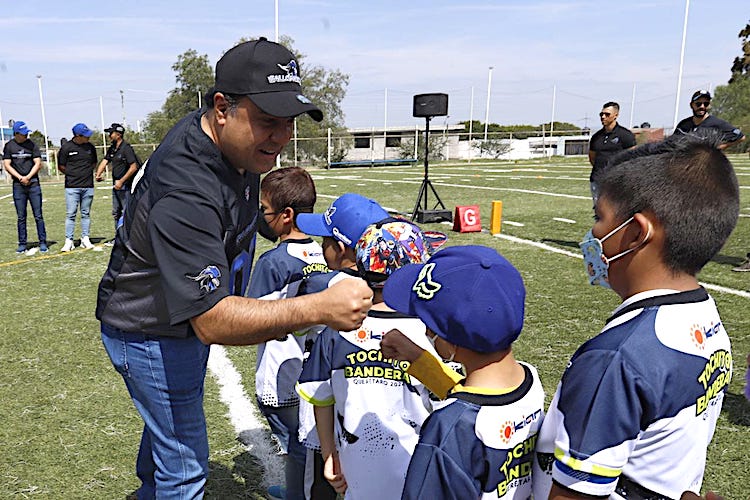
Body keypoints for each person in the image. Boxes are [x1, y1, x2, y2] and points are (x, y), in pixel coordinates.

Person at [95, 38, 373, 499]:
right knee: (184, 471)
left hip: (170, 320)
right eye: (268, 122)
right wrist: (319, 307)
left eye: (288, 123)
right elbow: (212, 320)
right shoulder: (186, 187)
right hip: (150, 329)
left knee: (167, 428)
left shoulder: (232, 142)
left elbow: (237, 218)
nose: (281, 137)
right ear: (222, 108)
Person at [533, 132, 738, 499]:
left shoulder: (615, 360)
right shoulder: (704, 315)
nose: (592, 233)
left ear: (634, 234)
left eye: (599, 217)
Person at [379, 245, 545, 499]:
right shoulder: (530, 381)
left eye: (429, 323)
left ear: (449, 339)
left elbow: (465, 416)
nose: (426, 332)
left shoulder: (448, 428)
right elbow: (477, 400)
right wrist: (418, 358)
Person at [296, 218, 440, 499]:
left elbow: (320, 398)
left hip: (357, 474)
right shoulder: (431, 335)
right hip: (421, 476)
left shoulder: (336, 332)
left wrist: (329, 455)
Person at [247, 166, 330, 500]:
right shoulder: (327, 254)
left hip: (282, 373)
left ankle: (300, 492)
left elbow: (253, 318)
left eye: (264, 210)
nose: (260, 217)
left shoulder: (274, 262)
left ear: (286, 215)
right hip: (320, 371)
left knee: (298, 444)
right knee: (313, 441)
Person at [673, 90, 748, 273]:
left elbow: (740, 136)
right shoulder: (684, 125)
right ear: (692, 105)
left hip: (707, 175)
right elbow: (673, 143)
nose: (702, 107)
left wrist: (718, 147)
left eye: (706, 104)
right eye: (699, 104)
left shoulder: (716, 123)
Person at [2, 121, 48, 253]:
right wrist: (20, 177)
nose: (26, 135)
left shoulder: (32, 145)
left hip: (33, 184)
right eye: (23, 133)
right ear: (16, 134)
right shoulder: (9, 146)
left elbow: (38, 162)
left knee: (38, 215)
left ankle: (43, 242)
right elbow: (7, 164)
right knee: (21, 217)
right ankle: (22, 243)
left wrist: (28, 176)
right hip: (18, 186)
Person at [94, 122, 140, 241]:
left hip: (126, 186)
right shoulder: (113, 148)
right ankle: (118, 237)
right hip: (116, 186)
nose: (109, 136)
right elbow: (105, 161)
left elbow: (133, 167)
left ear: (118, 134)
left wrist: (122, 181)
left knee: (126, 212)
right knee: (116, 213)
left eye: (111, 133)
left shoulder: (126, 148)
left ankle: (129, 237)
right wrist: (98, 174)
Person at [57, 123, 98, 251]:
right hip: (72, 186)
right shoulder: (66, 148)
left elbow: (94, 163)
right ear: (77, 136)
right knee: (71, 214)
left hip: (88, 186)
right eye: (85, 136)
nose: (88, 138)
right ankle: (69, 240)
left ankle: (85, 238)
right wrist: (73, 175)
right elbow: (61, 166)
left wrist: (85, 174)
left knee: (85, 213)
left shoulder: (90, 147)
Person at [588, 101, 636, 195]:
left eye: (607, 114)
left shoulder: (625, 135)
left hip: (617, 181)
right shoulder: (596, 137)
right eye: (601, 114)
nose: (603, 117)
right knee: (599, 209)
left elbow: (633, 158)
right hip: (597, 180)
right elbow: (592, 158)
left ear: (616, 115)